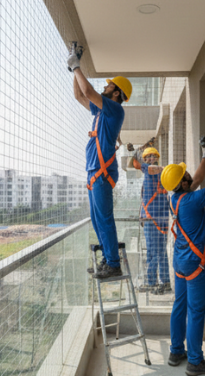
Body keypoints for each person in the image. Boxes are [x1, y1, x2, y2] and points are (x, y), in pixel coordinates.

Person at [160, 137, 205, 375]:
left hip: (181, 261)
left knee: (180, 306)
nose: (189, 173)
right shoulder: (192, 200)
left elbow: (198, 179)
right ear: (182, 183)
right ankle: (194, 360)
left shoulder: (176, 198)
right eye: (184, 174)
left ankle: (175, 351)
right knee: (196, 311)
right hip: (196, 264)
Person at [67, 45, 132, 279]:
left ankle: (114, 263)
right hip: (94, 172)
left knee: (104, 218)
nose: (105, 86)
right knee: (97, 219)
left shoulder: (114, 110)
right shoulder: (100, 113)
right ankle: (108, 258)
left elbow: (88, 90)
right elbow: (79, 94)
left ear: (116, 93)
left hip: (101, 174)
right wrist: (74, 66)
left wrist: (76, 66)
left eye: (109, 85)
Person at [130, 146, 171, 294]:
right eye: (149, 156)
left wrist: (135, 152)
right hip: (157, 219)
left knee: (154, 252)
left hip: (153, 219)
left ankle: (152, 282)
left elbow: (134, 164)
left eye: (154, 156)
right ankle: (164, 281)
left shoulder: (150, 170)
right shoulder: (162, 174)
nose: (152, 158)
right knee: (159, 251)